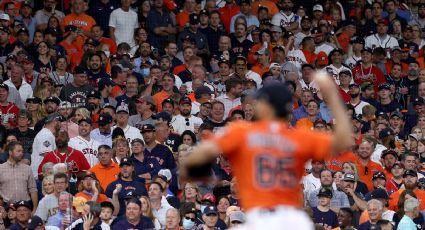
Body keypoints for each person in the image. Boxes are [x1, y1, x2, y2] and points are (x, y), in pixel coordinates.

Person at [181, 73, 353, 229]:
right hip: (293, 219)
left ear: (267, 106)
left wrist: (199, 171)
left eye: (260, 101)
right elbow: (344, 139)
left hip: (260, 218)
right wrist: (331, 92)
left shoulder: (242, 133)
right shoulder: (299, 138)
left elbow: (196, 157)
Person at [0, 141, 37, 211]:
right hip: (7, 207)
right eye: (18, 151)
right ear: (10, 152)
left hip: (26, 205)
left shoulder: (27, 168)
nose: (21, 153)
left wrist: (35, 208)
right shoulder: (1, 168)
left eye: (22, 151)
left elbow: (33, 189)